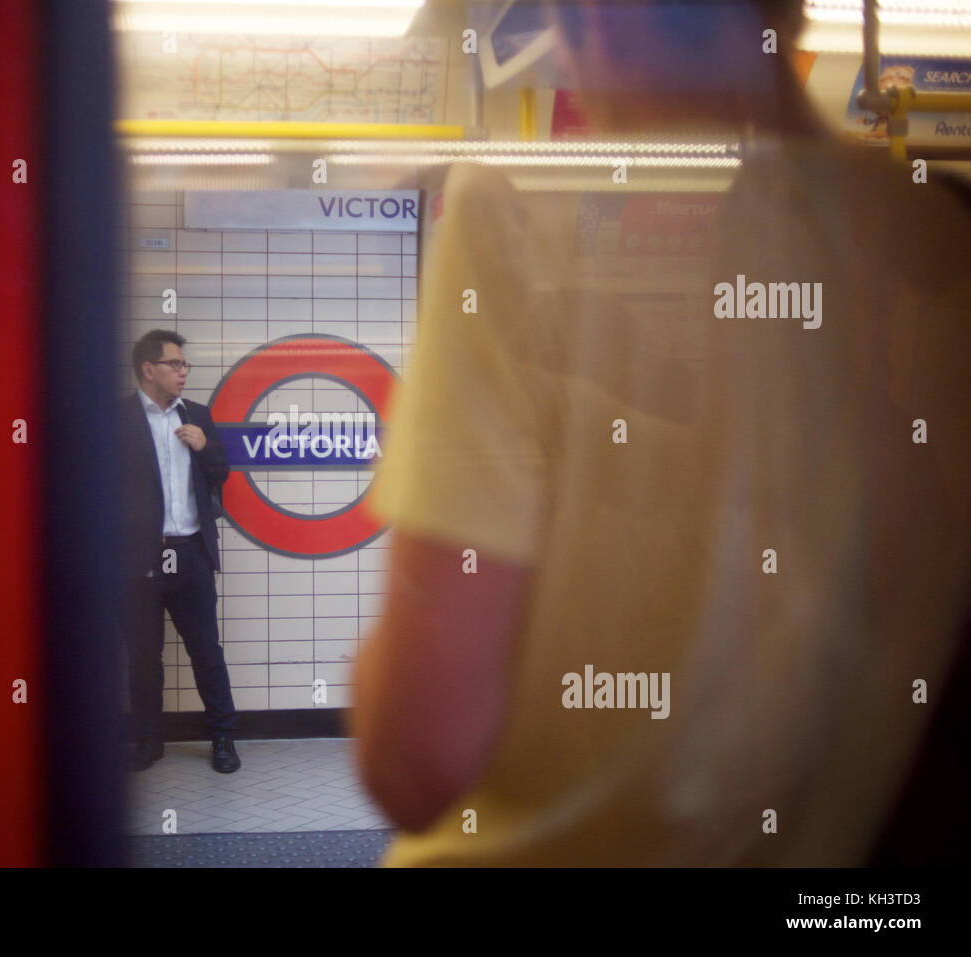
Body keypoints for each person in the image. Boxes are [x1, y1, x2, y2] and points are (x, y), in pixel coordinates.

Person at [353, 0, 971, 865]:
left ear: (599, 18)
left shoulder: (516, 211)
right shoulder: (937, 235)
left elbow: (415, 762)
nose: (565, 67)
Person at [119, 329, 240, 773]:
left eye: (185, 364)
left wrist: (205, 449)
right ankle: (150, 741)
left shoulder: (198, 416)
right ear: (149, 370)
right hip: (139, 560)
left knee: (206, 650)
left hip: (190, 552)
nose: (184, 371)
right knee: (143, 656)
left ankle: (223, 739)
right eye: (175, 364)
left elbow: (222, 474)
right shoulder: (118, 419)